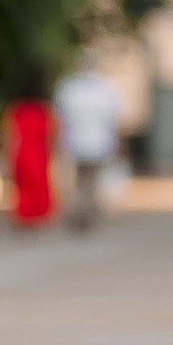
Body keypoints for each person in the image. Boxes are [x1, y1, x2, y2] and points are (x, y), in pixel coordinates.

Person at [52, 59, 126, 228]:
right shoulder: (106, 89)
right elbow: (114, 121)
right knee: (91, 182)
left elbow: (59, 119)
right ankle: (86, 212)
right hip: (99, 145)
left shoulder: (69, 88)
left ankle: (81, 211)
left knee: (78, 182)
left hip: (74, 144)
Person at [1, 82, 58, 226]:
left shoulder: (17, 110)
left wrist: (6, 154)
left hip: (22, 153)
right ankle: (38, 214)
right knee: (39, 184)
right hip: (39, 153)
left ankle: (25, 215)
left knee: (23, 185)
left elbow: (8, 135)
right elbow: (52, 134)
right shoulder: (44, 111)